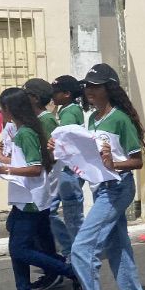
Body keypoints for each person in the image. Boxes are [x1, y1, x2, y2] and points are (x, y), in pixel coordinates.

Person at [61, 62, 145, 290]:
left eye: (95, 86)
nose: (89, 90)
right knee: (118, 248)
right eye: (87, 85)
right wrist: (60, 150)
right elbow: (88, 158)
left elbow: (137, 161)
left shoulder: (119, 119)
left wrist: (114, 163)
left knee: (82, 248)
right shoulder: (92, 120)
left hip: (117, 188)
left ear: (109, 89)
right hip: (101, 189)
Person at [0, 88, 71, 290]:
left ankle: (72, 272)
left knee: (19, 250)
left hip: (30, 200)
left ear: (11, 109)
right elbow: (26, 161)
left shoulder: (26, 133)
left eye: (2, 108)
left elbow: (35, 168)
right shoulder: (25, 131)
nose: (1, 113)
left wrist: (3, 168)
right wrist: (2, 159)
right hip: (25, 199)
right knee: (17, 247)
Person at [48, 74, 87, 256]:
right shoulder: (67, 110)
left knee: (72, 215)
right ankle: (71, 249)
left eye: (55, 92)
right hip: (65, 170)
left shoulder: (70, 113)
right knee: (51, 210)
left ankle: (76, 252)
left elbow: (65, 141)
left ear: (67, 94)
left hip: (69, 171)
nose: (52, 96)